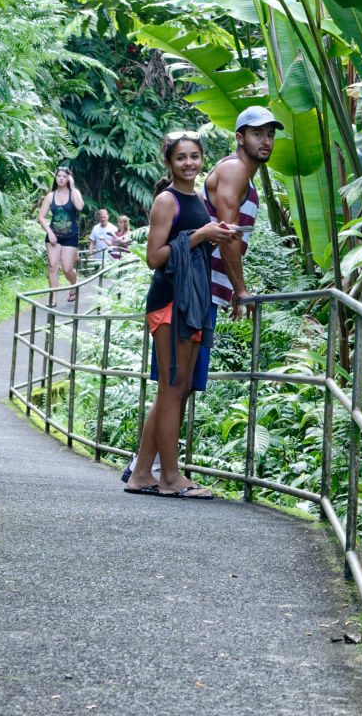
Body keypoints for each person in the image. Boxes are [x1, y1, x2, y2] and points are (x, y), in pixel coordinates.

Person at [124, 131, 239, 498]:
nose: (189, 163)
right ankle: (171, 478)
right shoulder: (166, 200)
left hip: (191, 300)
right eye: (181, 158)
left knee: (178, 387)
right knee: (173, 387)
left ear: (203, 159)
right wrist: (200, 235)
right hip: (170, 301)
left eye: (194, 156)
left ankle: (142, 474)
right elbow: (154, 257)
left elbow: (190, 241)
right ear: (169, 163)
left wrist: (213, 234)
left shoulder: (197, 199)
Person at [203, 105, 281, 321]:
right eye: (257, 134)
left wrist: (233, 285)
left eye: (270, 135)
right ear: (239, 138)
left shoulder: (243, 176)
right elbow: (227, 234)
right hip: (198, 286)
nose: (266, 141)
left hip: (204, 288)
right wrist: (240, 290)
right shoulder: (234, 169)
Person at [37, 165, 83, 306]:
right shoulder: (50, 196)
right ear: (55, 178)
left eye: (64, 176)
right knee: (52, 266)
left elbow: (80, 207)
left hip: (70, 235)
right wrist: (50, 233)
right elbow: (41, 217)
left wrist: (73, 186)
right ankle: (53, 299)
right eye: (59, 176)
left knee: (67, 268)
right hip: (54, 236)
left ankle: (74, 285)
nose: (61, 179)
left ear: (68, 178)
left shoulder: (74, 193)